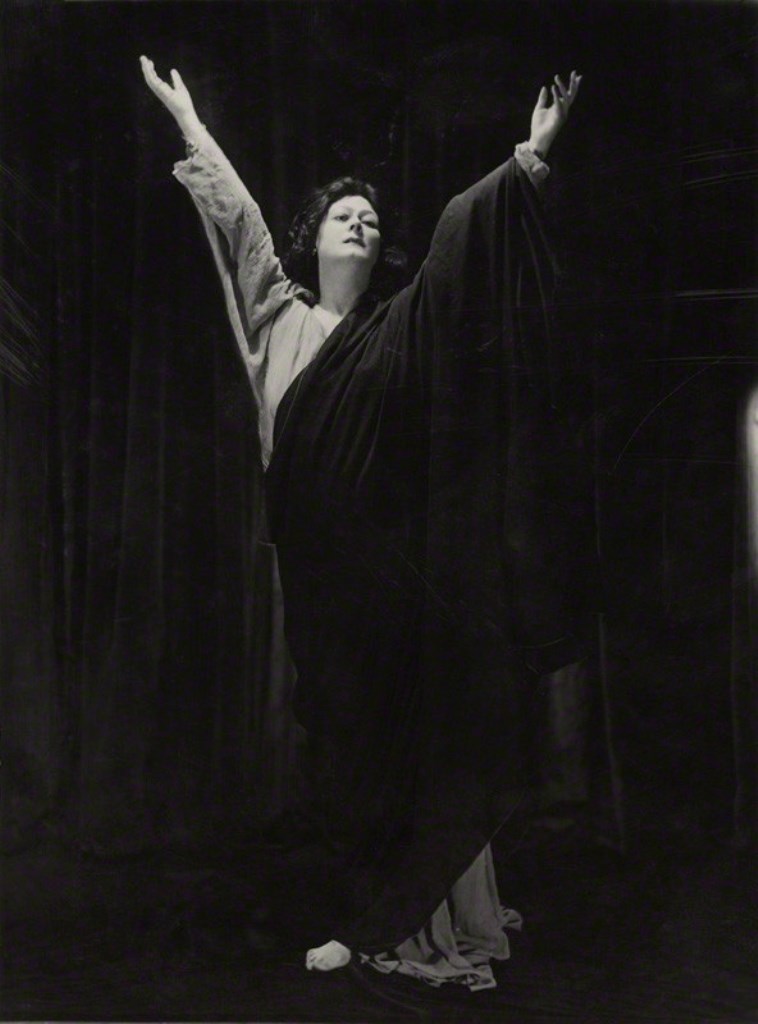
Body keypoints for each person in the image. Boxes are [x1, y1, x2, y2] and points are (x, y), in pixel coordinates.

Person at [140, 55, 586, 989]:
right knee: (347, 748)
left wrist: (530, 158)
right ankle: (373, 911)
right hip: (320, 582)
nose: (360, 222)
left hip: (396, 580)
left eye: (372, 218)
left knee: (418, 735)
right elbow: (239, 222)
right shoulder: (276, 318)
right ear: (314, 241)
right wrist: (191, 124)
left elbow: (462, 244)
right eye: (344, 213)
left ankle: (411, 925)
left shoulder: (401, 327)